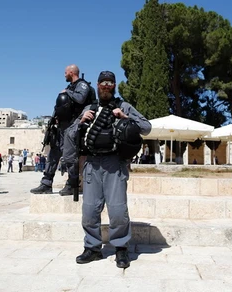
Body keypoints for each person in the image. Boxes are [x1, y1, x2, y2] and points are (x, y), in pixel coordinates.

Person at [73, 70, 151, 268]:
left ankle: (121, 248)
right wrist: (81, 122)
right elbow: (70, 135)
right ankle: (92, 248)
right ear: (98, 86)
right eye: (103, 83)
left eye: (110, 83)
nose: (106, 86)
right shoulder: (89, 107)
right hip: (92, 164)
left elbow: (146, 127)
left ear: (114, 86)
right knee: (89, 210)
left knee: (117, 210)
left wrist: (125, 117)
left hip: (115, 164)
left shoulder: (123, 105)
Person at [30, 64, 96, 196]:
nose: (64, 74)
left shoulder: (82, 85)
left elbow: (80, 98)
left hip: (74, 126)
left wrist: (68, 93)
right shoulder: (69, 87)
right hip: (62, 126)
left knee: (69, 156)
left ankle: (72, 184)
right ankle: (46, 183)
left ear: (72, 72)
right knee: (53, 154)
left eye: (66, 72)